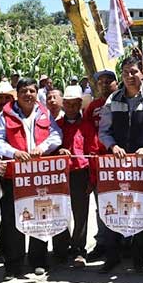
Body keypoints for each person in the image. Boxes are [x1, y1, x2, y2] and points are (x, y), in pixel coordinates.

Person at [99, 56, 143, 273]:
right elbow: (104, 130)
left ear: (142, 73)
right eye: (126, 73)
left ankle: (139, 258)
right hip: (118, 167)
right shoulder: (113, 99)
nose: (130, 77)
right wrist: (112, 147)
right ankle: (113, 256)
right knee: (115, 207)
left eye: (134, 72)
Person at [0, 77, 63, 278]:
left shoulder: (44, 112)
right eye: (24, 91)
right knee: (12, 220)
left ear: (36, 92)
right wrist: (14, 153)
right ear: (17, 93)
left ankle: (38, 260)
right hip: (13, 175)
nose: (28, 95)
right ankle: (14, 263)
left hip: (39, 177)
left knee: (39, 216)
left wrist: (43, 148)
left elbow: (56, 135)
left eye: (32, 91)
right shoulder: (5, 114)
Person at [56, 85, 98, 267]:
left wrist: (92, 178)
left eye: (75, 104)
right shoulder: (57, 126)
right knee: (60, 212)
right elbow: (50, 147)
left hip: (81, 173)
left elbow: (93, 152)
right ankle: (61, 248)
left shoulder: (87, 126)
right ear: (64, 104)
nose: (71, 108)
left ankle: (79, 249)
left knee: (80, 214)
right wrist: (59, 150)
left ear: (80, 104)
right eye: (68, 104)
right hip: (60, 173)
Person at [83, 69, 118, 261]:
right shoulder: (93, 107)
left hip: (119, 160)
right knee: (103, 204)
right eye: (101, 82)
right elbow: (87, 133)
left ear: (116, 83)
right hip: (99, 162)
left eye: (109, 81)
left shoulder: (123, 101)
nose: (105, 84)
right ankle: (103, 242)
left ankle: (124, 242)